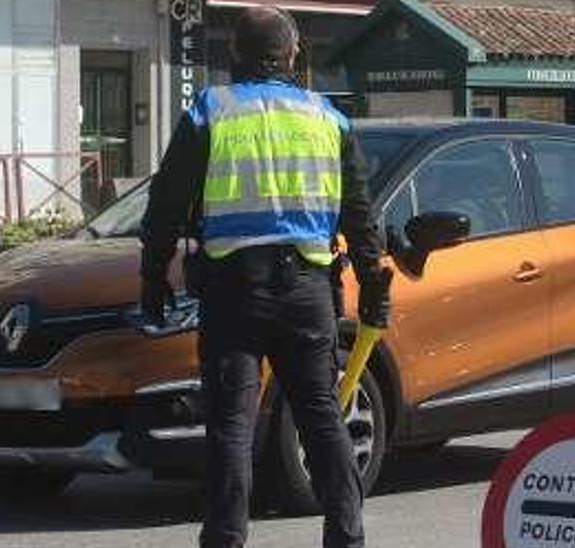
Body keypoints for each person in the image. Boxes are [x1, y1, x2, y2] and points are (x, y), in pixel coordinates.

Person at [138, 6, 390, 548]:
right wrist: (372, 285)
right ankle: (346, 537)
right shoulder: (329, 118)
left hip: (235, 289)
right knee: (321, 413)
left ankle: (226, 538)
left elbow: (165, 204)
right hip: (308, 289)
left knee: (231, 422)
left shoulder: (211, 110)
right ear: (294, 54)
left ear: (235, 54)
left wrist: (153, 276)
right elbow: (360, 216)